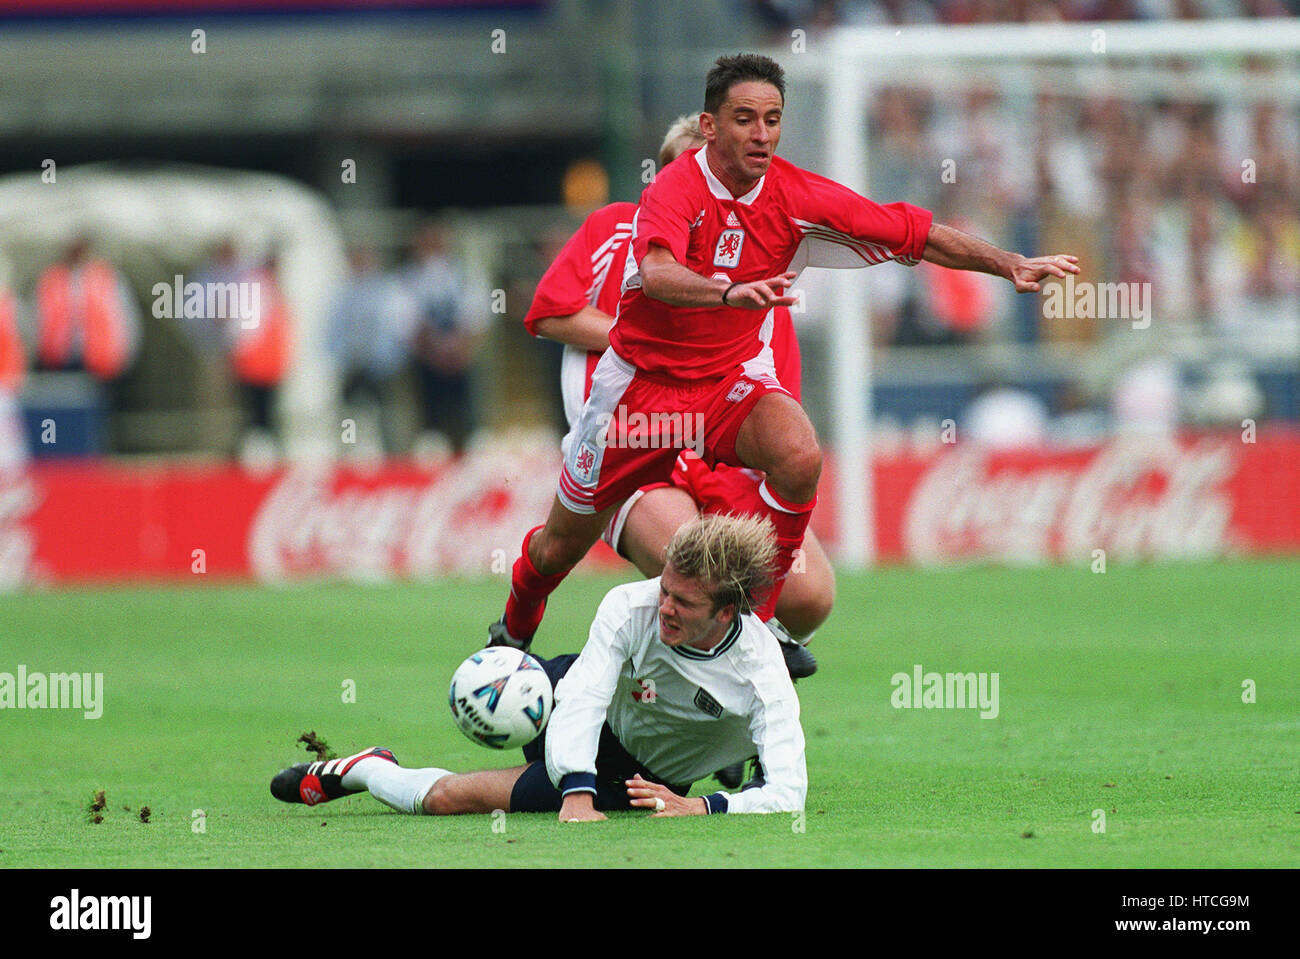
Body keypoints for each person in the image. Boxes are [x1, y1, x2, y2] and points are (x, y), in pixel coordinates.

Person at [495, 53, 1079, 654]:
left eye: (772, 119)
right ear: (710, 126)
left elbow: (908, 229)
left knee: (800, 456)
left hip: (727, 385)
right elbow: (657, 272)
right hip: (643, 396)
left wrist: (1007, 263)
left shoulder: (794, 195)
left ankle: (758, 626)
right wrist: (727, 292)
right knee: (559, 546)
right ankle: (515, 626)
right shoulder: (675, 187)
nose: (761, 133)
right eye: (745, 119)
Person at [522, 114, 833, 673]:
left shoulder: (755, 281)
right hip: (637, 445)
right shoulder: (615, 231)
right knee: (700, 572)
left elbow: (774, 404)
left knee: (809, 595)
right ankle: (627, 699)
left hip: (715, 461)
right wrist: (645, 338)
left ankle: (712, 684)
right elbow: (549, 312)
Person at [270, 514, 805, 819]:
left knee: (450, 799)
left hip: (640, 776)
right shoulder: (631, 606)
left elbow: (788, 792)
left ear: (727, 612)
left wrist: (704, 808)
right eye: (664, 589)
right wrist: (576, 789)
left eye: (683, 604)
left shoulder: (762, 677)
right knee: (495, 684)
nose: (663, 606)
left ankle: (364, 768)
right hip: (573, 703)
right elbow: (586, 693)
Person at [405, 221, 490, 458]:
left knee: (466, 410)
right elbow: (406, 321)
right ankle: (431, 442)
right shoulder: (409, 279)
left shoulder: (464, 275)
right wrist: (433, 351)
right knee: (431, 418)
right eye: (426, 242)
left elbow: (478, 315)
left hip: (461, 357)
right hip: (427, 359)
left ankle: (472, 440)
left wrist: (461, 346)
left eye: (436, 242)